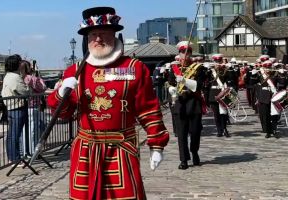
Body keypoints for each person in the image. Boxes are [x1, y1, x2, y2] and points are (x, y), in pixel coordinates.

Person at [47, 7, 169, 199]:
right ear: (86, 39)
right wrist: (60, 93)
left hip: (120, 149)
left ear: (115, 35)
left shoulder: (134, 68)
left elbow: (148, 109)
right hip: (86, 150)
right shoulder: (75, 71)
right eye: (93, 34)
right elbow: (63, 114)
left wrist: (157, 145)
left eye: (104, 33)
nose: (98, 39)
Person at [167, 41, 206, 170]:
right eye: (183, 52)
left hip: (193, 103)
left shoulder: (198, 68)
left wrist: (184, 80)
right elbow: (170, 83)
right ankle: (184, 159)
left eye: (188, 52)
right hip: (180, 103)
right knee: (182, 134)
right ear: (179, 53)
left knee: (195, 132)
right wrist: (172, 89)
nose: (185, 55)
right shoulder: (174, 68)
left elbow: (198, 86)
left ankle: (194, 151)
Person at [2, 54, 29, 162]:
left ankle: (11, 157)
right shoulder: (15, 77)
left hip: (11, 107)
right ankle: (15, 158)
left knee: (11, 135)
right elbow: (25, 91)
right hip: (17, 107)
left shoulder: (7, 75)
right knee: (15, 135)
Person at [20, 60, 47, 155]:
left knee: (24, 131)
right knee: (33, 130)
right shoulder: (31, 78)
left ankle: (24, 151)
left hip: (22, 106)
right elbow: (43, 87)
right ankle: (33, 151)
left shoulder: (20, 78)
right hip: (33, 105)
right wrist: (37, 77)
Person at [207, 54, 231, 137]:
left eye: (219, 61)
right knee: (216, 114)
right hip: (213, 94)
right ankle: (219, 130)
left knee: (223, 113)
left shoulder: (225, 70)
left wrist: (229, 69)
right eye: (216, 61)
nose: (218, 63)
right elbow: (206, 83)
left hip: (223, 93)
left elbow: (230, 82)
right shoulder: (210, 71)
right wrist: (207, 69)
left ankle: (224, 129)